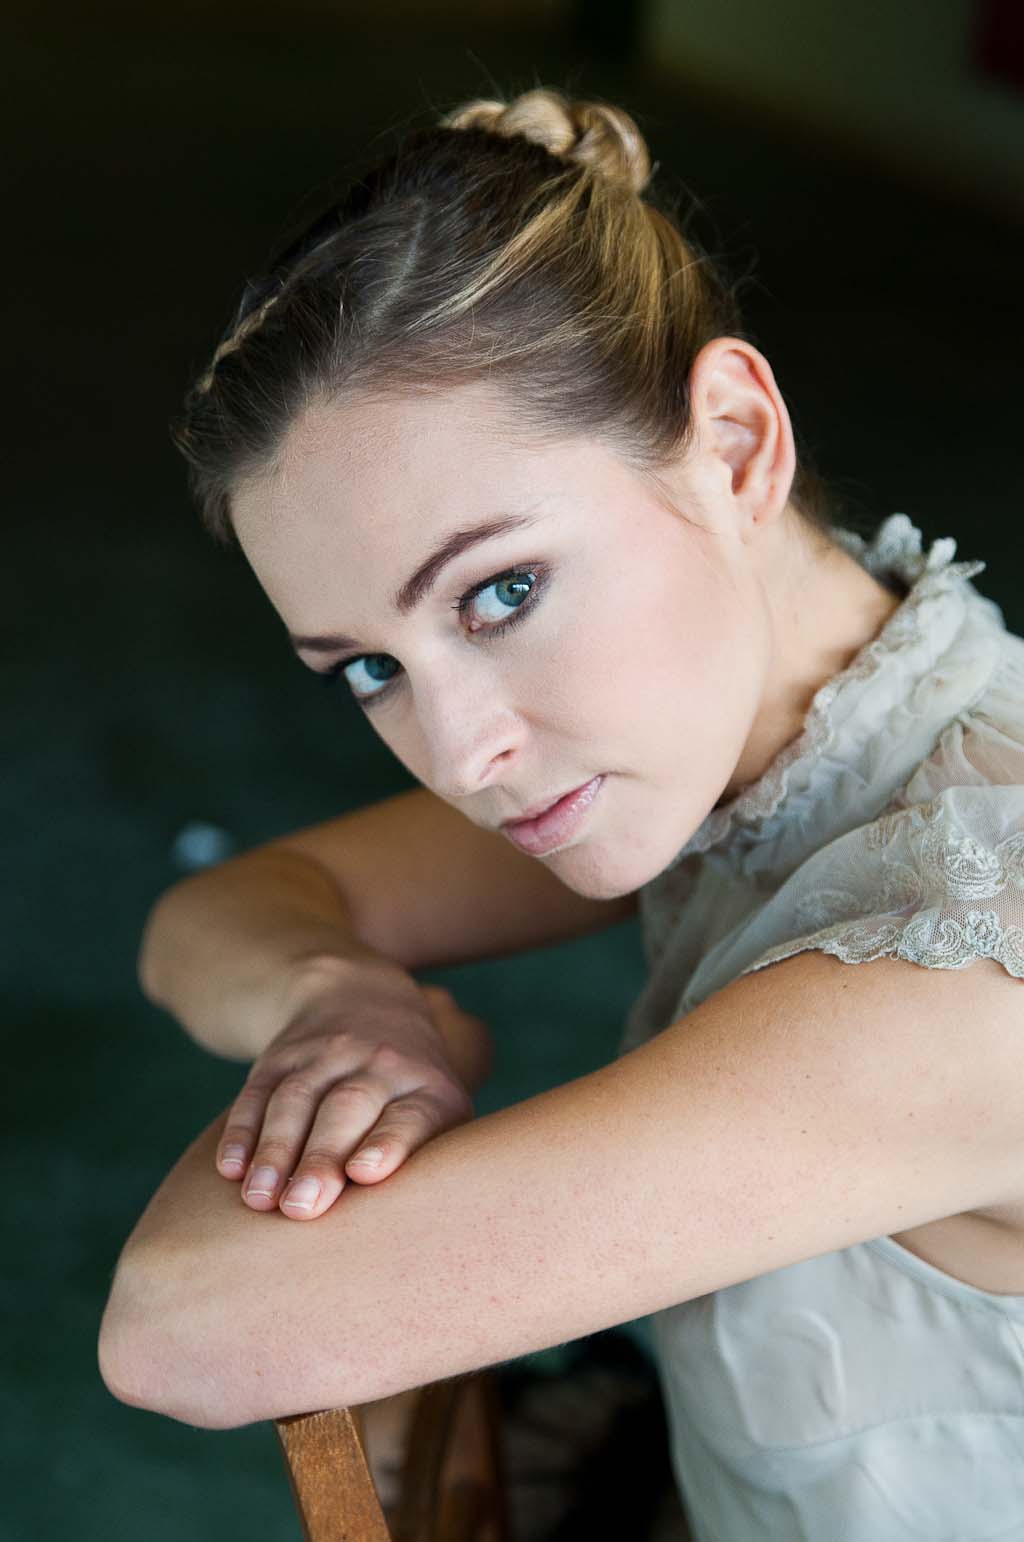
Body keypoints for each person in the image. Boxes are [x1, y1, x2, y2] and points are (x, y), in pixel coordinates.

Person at [97, 86, 1024, 1539]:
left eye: (503, 591)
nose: (465, 753)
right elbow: (212, 918)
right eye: (369, 670)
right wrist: (341, 996)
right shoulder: (746, 740)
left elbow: (182, 1329)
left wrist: (408, 1028)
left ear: (735, 443)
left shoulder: (965, 967)